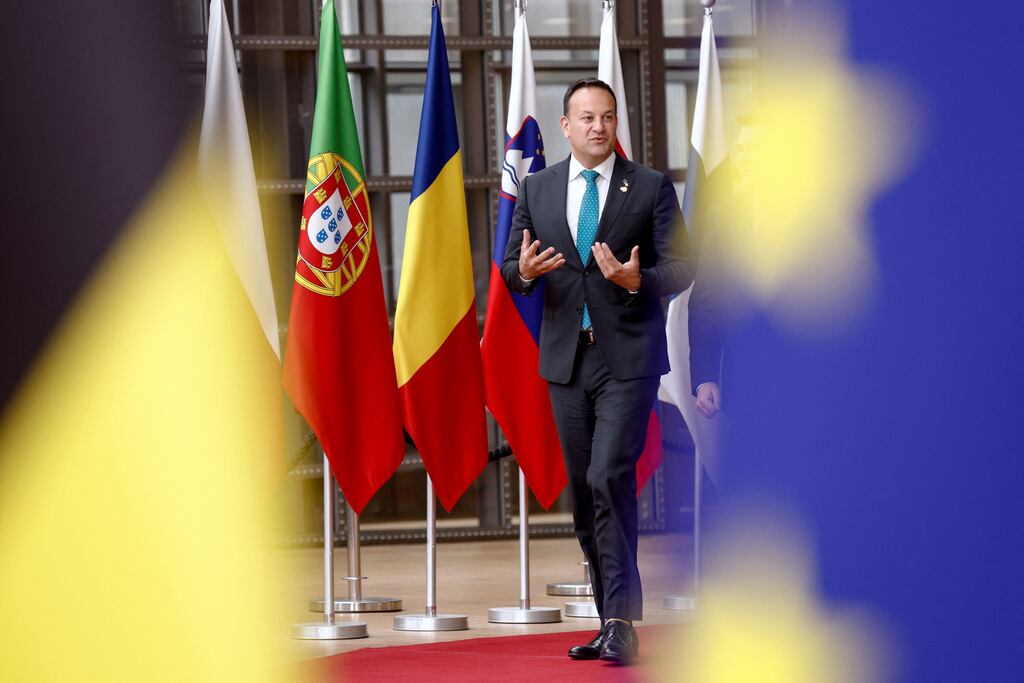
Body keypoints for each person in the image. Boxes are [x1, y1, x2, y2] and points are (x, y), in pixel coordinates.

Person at [501, 78, 693, 665]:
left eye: (607, 117)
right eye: (586, 118)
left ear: (616, 124)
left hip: (627, 359)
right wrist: (527, 272)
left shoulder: (652, 188)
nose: (597, 127)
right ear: (565, 125)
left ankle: (622, 622)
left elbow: (685, 264)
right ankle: (609, 615)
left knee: (610, 473)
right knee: (587, 491)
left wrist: (641, 281)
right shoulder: (536, 187)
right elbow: (512, 266)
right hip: (567, 360)